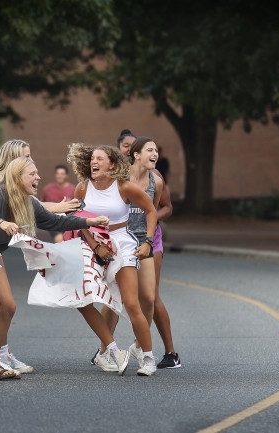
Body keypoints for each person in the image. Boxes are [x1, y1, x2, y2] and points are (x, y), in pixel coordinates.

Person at [0, 156, 109, 380]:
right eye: (32, 174)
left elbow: (55, 222)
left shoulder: (28, 201)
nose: (38, 177)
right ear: (17, 176)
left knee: (8, 306)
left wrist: (89, 222)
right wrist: (0, 222)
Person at [0, 139, 79, 373]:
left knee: (2, 304)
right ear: (13, 160)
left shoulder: (5, 182)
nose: (29, 161)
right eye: (26, 157)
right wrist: (57, 208)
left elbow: (31, 204)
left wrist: (59, 210)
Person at [67, 143, 159, 376]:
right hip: (92, 245)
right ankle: (107, 351)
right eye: (91, 160)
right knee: (91, 300)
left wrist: (148, 242)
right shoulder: (82, 188)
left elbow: (151, 211)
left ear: (113, 164)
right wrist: (95, 245)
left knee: (131, 303)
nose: (94, 163)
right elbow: (78, 219)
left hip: (122, 243)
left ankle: (147, 358)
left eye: (99, 159)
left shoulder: (124, 187)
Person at [115, 129, 180, 369]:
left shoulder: (156, 179)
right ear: (133, 154)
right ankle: (106, 350)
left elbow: (159, 208)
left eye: (156, 150)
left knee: (150, 297)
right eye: (150, 150)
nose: (155, 154)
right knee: (118, 296)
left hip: (150, 239)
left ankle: (157, 349)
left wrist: (150, 228)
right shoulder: (118, 178)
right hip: (123, 239)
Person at [42, 164, 76, 242]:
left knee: (68, 242)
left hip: (67, 221)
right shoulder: (47, 189)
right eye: (57, 173)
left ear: (66, 176)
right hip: (52, 220)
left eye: (62, 174)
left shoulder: (72, 189)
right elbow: (42, 205)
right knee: (60, 240)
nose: (59, 176)